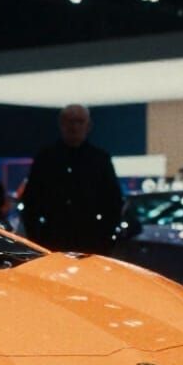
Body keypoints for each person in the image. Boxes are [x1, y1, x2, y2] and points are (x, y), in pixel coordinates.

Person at [19, 105, 122, 254]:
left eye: (79, 122)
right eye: (70, 121)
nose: (74, 127)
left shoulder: (100, 159)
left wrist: (104, 236)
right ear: (61, 124)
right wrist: (36, 236)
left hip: (88, 239)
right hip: (54, 238)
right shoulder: (46, 158)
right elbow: (31, 201)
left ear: (88, 126)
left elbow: (113, 201)